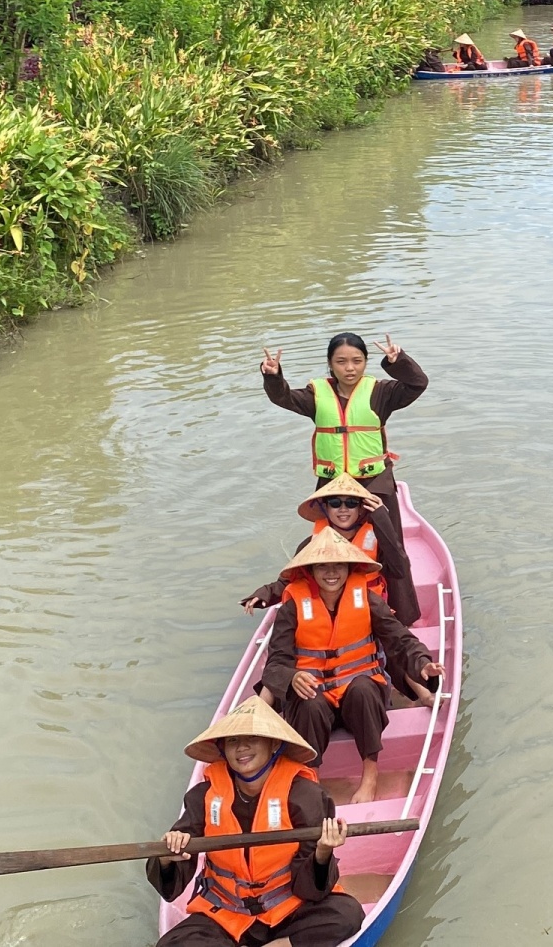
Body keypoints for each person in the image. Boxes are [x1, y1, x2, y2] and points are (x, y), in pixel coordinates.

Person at [147, 696, 365, 947]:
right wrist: (166, 856)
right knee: (171, 944)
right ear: (222, 749)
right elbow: (173, 882)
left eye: (252, 739)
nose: (242, 748)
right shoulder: (203, 796)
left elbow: (311, 890)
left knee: (346, 913)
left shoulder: (305, 795)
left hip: (287, 908)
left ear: (273, 744)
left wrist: (323, 853)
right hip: (225, 913)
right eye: (233, 741)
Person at [257, 533, 443, 805]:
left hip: (359, 700)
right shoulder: (292, 607)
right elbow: (275, 664)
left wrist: (423, 663)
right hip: (317, 700)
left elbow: (400, 638)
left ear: (349, 568)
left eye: (338, 565)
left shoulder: (367, 599)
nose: (331, 572)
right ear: (310, 570)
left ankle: (370, 775)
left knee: (365, 687)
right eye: (322, 565)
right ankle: (311, 778)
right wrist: (293, 676)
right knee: (308, 702)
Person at [260, 332, 426, 624]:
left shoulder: (381, 393)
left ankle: (402, 615)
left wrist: (397, 361)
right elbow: (283, 397)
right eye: (342, 362)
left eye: (357, 361)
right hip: (332, 487)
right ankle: (333, 612)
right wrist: (274, 377)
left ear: (365, 363)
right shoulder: (317, 394)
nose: (350, 368)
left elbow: (417, 384)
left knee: (390, 546)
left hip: (374, 484)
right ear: (330, 364)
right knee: (328, 549)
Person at [239, 474, 419, 627]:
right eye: (334, 503)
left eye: (351, 503)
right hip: (326, 618)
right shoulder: (311, 544)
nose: (343, 509)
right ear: (325, 508)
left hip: (369, 617)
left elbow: (399, 568)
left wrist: (381, 518)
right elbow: (289, 580)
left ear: (360, 509)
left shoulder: (377, 541)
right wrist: (264, 595)